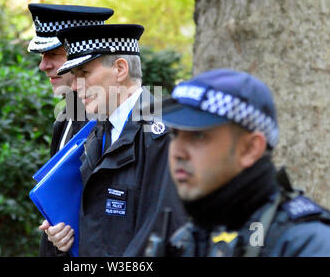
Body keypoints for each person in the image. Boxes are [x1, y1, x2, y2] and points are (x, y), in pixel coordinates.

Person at [41, 23, 186, 256]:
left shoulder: (163, 137)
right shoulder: (96, 133)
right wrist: (66, 235)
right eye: (74, 76)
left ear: (120, 69)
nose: (76, 86)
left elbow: (163, 234)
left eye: (85, 73)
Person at [158, 68, 330, 257]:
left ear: (250, 149)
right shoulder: (188, 238)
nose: (178, 152)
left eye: (198, 136)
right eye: (175, 134)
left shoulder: (309, 244)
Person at [26, 3, 114, 256]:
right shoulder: (68, 113)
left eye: (54, 53)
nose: (43, 66)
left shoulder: (112, 118)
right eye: (43, 56)